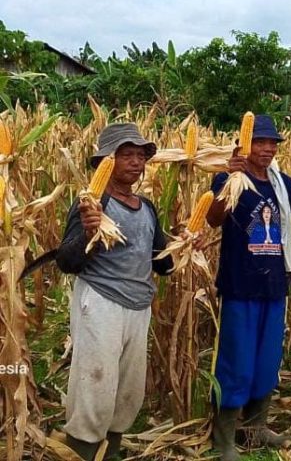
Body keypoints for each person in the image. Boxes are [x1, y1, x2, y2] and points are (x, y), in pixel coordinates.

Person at [205, 115, 291, 460]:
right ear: (245, 144)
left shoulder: (281, 183)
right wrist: (229, 179)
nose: (267, 149)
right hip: (240, 284)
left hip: (275, 284)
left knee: (267, 360)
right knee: (235, 360)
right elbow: (213, 219)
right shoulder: (228, 177)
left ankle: (255, 428)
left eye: (272, 144)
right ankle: (223, 437)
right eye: (260, 142)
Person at [56, 123, 177, 461]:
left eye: (141, 156)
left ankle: (111, 451)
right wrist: (90, 232)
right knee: (95, 383)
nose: (136, 162)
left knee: (127, 389)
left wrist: (185, 246)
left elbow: (161, 263)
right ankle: (81, 450)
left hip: (139, 306)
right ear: (106, 160)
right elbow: (67, 261)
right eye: (127, 155)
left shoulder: (148, 208)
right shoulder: (91, 203)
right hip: (101, 302)